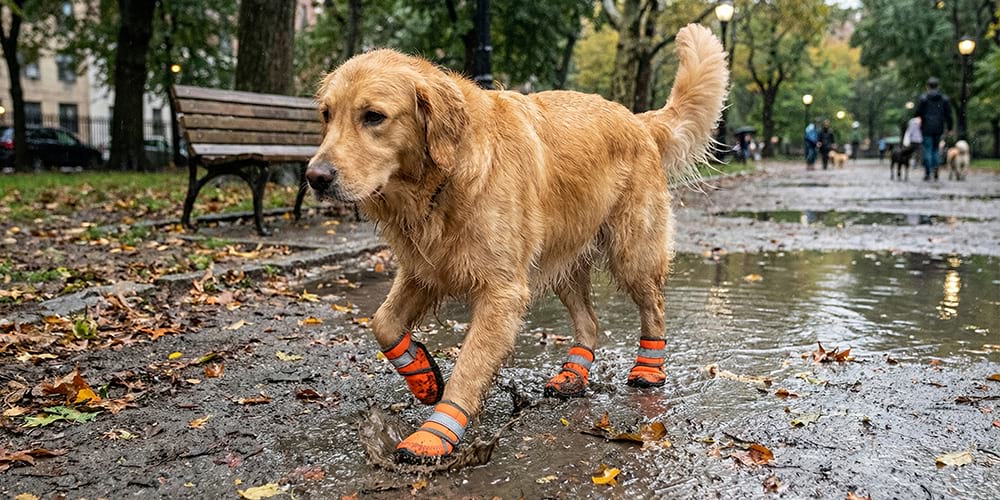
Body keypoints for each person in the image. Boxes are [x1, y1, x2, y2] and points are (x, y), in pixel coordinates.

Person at [914, 77, 953, 181]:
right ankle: (936, 169)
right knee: (936, 149)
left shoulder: (924, 99)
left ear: (927, 86)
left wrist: (920, 119)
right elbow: (948, 115)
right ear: (938, 86)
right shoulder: (944, 99)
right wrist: (950, 128)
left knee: (928, 149)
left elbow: (917, 113)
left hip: (926, 128)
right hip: (939, 127)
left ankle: (927, 172)